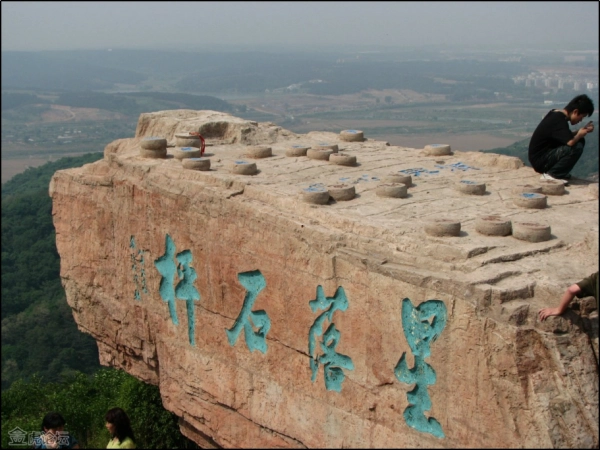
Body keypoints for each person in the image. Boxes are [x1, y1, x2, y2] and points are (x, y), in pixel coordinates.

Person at [528, 94, 595, 184]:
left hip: (541, 158)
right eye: (581, 117)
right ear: (575, 112)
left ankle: (560, 172)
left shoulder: (557, 115)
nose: (580, 120)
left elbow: (565, 136)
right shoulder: (559, 120)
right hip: (541, 161)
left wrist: (581, 131)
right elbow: (570, 142)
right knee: (576, 146)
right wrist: (579, 135)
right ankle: (552, 174)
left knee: (579, 141)